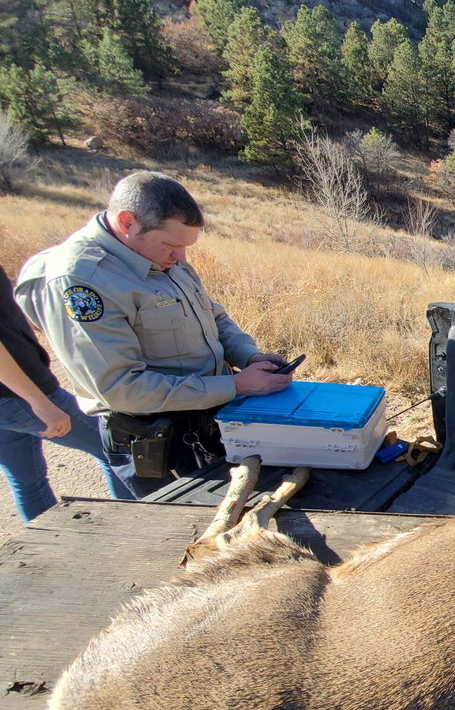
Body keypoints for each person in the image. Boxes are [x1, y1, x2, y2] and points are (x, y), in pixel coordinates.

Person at [17, 171, 293, 498]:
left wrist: (249, 357)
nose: (180, 258)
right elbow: (122, 388)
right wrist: (236, 385)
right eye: (172, 245)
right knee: (184, 526)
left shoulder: (161, 256)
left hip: (209, 423)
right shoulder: (82, 280)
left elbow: (213, 317)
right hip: (156, 441)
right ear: (127, 223)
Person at [0, 266, 133, 521]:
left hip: (12, 398)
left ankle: (47, 541)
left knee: (27, 480)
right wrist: (37, 400)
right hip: (17, 394)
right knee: (116, 450)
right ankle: (133, 526)